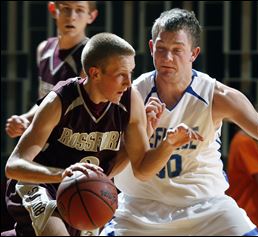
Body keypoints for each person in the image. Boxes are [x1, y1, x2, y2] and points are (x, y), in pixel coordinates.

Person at [100, 8, 258, 236]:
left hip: (205, 208)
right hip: (139, 208)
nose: (167, 58)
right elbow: (108, 164)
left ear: (194, 53)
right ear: (151, 47)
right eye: (161, 49)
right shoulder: (130, 94)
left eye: (177, 50)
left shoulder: (217, 96)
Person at [4, 32, 202, 236]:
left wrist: (168, 144)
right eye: (121, 75)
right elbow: (13, 166)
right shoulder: (60, 100)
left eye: (131, 73)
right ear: (95, 73)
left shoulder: (129, 100)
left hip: (84, 190)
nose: (128, 82)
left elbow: (142, 169)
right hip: (40, 183)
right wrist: (61, 175)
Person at [5, 1, 98, 138]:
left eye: (79, 10)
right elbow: (45, 101)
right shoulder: (43, 48)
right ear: (53, 9)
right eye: (66, 8)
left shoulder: (91, 56)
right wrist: (24, 120)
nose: (71, 16)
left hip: (72, 143)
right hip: (45, 140)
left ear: (91, 16)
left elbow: (84, 115)